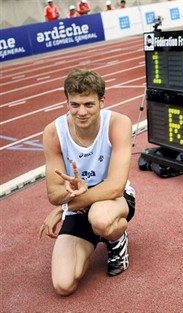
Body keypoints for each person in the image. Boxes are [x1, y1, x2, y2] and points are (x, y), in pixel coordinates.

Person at [38, 69, 136, 296]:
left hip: (114, 200)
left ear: (102, 101)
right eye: (75, 105)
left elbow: (115, 186)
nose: (81, 112)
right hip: (78, 205)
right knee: (63, 285)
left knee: (100, 218)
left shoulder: (118, 123)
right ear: (68, 102)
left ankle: (116, 237)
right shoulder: (54, 132)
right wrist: (68, 197)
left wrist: (67, 206)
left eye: (89, 104)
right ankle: (93, 236)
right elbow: (53, 194)